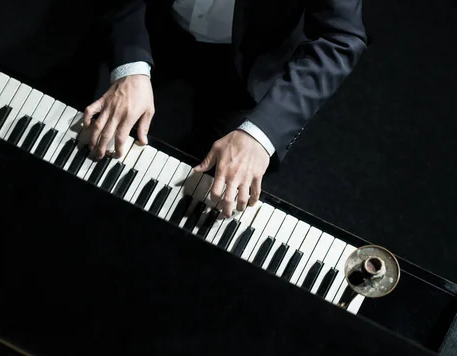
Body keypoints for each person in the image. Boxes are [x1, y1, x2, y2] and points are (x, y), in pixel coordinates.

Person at [83, 0, 367, 217]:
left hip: (252, 56)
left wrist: (261, 133)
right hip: (152, 21)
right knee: (90, 144)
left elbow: (339, 39)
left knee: (214, 200)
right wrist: (129, 65)